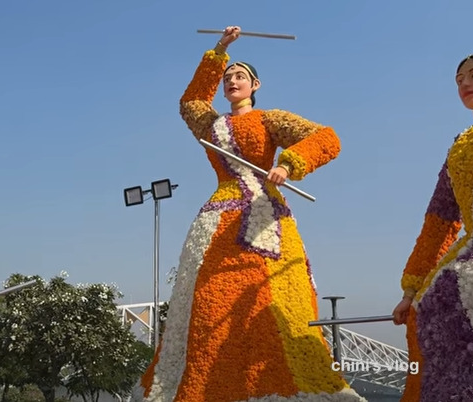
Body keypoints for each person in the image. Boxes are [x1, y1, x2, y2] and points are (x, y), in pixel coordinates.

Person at [136, 26, 365, 402]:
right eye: (228, 78)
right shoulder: (213, 125)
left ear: (256, 84)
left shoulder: (269, 119)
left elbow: (327, 138)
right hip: (216, 221)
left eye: (240, 76)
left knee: (272, 304)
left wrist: (290, 165)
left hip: (265, 217)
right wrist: (220, 50)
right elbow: (191, 101)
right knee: (209, 304)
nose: (232, 82)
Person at [391, 52, 473, 401]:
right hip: (470, 255)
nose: (466, 84)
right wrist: (412, 288)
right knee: (433, 306)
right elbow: (438, 222)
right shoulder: (459, 146)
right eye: (460, 79)